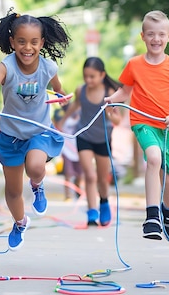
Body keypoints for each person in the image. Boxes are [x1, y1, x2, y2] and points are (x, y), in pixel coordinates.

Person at [0, 10, 71, 251]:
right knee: (13, 190)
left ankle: (38, 185)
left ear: (42, 43)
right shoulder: (6, 66)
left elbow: (58, 88)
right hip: (10, 136)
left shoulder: (48, 67)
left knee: (36, 166)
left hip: (38, 131)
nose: (27, 48)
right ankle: (20, 222)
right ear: (12, 42)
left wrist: (61, 97)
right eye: (21, 41)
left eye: (33, 42)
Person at [105, 10, 169, 242]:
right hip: (142, 122)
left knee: (168, 173)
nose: (156, 39)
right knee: (154, 159)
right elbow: (125, 91)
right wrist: (112, 99)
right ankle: (152, 217)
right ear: (143, 36)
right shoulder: (134, 65)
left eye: (161, 34)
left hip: (166, 126)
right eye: (151, 34)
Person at [58, 57, 121, 227]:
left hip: (103, 140)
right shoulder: (81, 90)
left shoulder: (110, 93)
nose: (88, 80)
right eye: (86, 76)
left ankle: (104, 202)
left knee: (102, 178)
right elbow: (75, 106)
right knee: (90, 176)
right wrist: (62, 122)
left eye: (92, 76)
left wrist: (111, 115)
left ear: (102, 75)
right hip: (84, 137)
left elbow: (118, 120)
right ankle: (92, 211)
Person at [54, 106, 83, 201]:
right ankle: (68, 195)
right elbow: (57, 126)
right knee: (68, 173)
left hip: (79, 148)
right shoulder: (61, 116)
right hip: (67, 149)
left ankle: (78, 192)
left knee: (79, 174)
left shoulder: (80, 115)